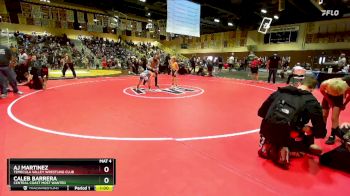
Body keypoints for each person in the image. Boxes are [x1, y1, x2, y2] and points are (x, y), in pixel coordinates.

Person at [258, 76, 327, 169]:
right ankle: (286, 148)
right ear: (312, 89)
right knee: (306, 131)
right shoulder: (311, 100)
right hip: (287, 132)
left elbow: (261, 112)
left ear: (299, 84)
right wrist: (306, 129)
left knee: (287, 126)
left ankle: (270, 143)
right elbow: (320, 131)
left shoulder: (280, 92)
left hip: (266, 129)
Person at [320, 76, 350, 145]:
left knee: (334, 118)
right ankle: (322, 131)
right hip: (327, 96)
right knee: (324, 114)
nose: (335, 94)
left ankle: (332, 135)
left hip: (338, 99)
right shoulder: (325, 84)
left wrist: (344, 104)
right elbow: (322, 91)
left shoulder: (346, 86)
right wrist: (329, 100)